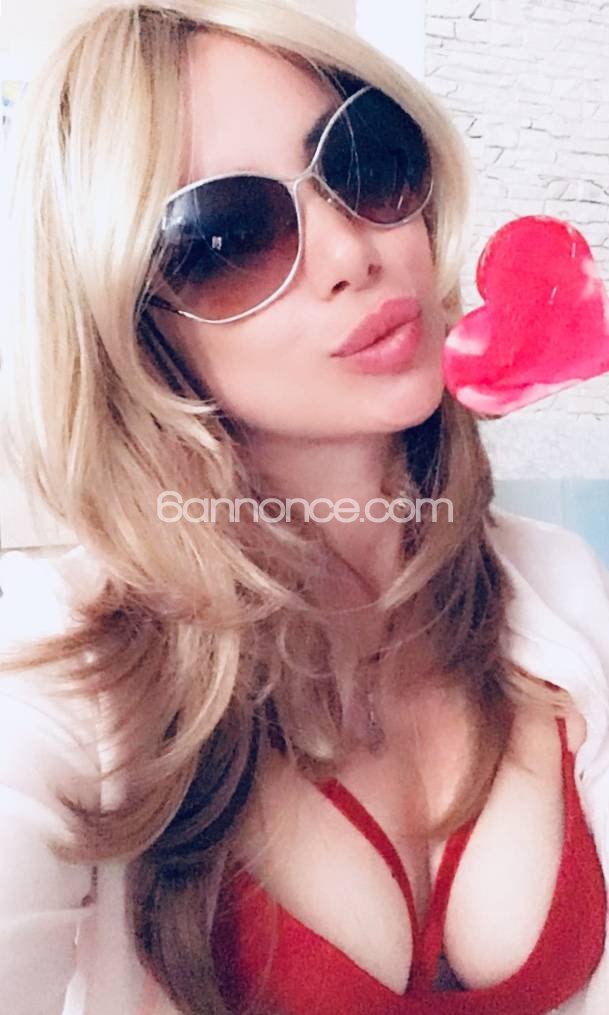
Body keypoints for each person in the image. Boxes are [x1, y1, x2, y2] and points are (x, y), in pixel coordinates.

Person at [1, 2, 609, 1014]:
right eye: (228, 236)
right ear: (132, 330)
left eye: (361, 160)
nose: (350, 251)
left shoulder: (561, 587)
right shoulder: (57, 672)